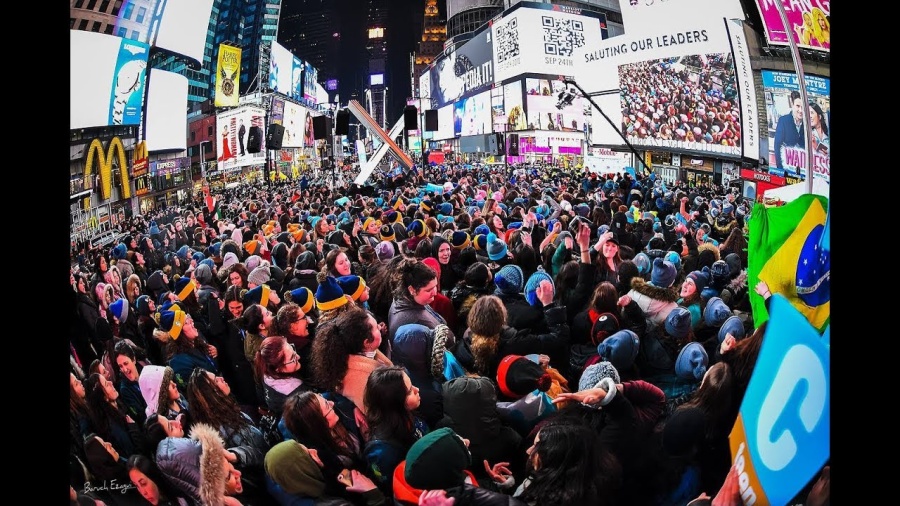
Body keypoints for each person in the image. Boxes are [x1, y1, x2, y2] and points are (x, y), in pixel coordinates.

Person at [310, 306, 393, 414]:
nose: (379, 327)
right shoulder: (364, 379)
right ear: (366, 342)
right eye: (376, 328)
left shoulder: (356, 352)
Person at [362, 366, 427, 497]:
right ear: (395, 402)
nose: (417, 390)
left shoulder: (407, 415)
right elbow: (392, 491)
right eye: (409, 392)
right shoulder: (382, 452)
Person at [255, 335, 310, 415]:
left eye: (292, 348)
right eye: (292, 358)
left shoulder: (266, 372)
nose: (298, 356)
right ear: (278, 369)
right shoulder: (296, 395)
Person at [126, 454, 192, 506]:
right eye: (136, 485)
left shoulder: (179, 490)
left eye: (143, 483)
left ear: (153, 477)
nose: (143, 493)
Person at [773, 90, 805, 172]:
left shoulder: (808, 124)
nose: (801, 110)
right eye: (798, 106)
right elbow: (777, 146)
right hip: (786, 168)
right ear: (792, 104)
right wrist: (780, 169)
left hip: (803, 169)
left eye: (803, 107)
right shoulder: (783, 121)